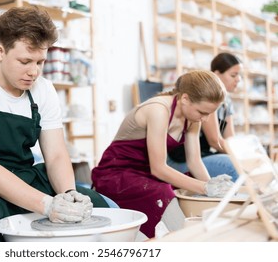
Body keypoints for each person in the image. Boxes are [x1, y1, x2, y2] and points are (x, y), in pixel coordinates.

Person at [0, 6, 110, 242]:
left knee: (107, 208)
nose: (34, 72)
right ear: (0, 52)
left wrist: (69, 195)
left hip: (23, 175)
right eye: (25, 61)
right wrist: (46, 205)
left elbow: (56, 155)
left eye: (40, 62)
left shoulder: (44, 89)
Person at [91, 70, 234, 238]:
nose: (205, 119)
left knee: (188, 188)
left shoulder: (193, 117)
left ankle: (205, 234)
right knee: (164, 191)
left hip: (146, 173)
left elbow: (194, 162)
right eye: (202, 112)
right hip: (117, 173)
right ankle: (182, 240)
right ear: (185, 98)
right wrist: (204, 188)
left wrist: (213, 189)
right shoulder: (158, 110)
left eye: (209, 113)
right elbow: (159, 169)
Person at [167, 53, 242, 181]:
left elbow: (230, 140)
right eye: (233, 75)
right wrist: (242, 158)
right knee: (233, 166)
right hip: (180, 158)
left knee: (245, 165)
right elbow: (215, 141)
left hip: (199, 156)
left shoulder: (226, 102)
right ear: (217, 74)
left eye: (239, 75)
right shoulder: (209, 98)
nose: (238, 79)